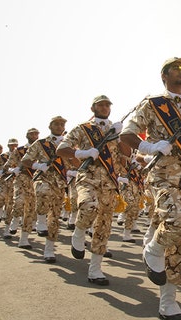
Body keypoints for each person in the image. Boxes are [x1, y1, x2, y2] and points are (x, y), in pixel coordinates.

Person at [120, 56, 181, 320]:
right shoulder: (153, 104)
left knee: (180, 239)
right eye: (176, 68)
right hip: (163, 177)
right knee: (177, 220)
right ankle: (152, 249)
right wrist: (150, 147)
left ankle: (168, 301)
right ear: (164, 75)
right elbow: (127, 135)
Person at [56, 95, 130, 285]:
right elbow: (62, 149)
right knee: (88, 206)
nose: (105, 108)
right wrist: (82, 153)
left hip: (109, 184)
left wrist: (120, 136)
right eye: (101, 105)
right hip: (87, 178)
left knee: (103, 227)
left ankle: (95, 269)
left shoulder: (115, 130)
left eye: (107, 105)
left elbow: (127, 154)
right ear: (93, 108)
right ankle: (79, 232)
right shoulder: (83, 129)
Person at [21, 116, 72, 262]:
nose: (59, 126)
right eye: (56, 124)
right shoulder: (41, 143)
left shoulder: (67, 144)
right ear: (50, 126)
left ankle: (49, 250)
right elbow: (25, 160)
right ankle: (40, 222)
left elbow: (73, 162)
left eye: (62, 124)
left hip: (60, 182)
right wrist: (38, 165)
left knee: (55, 217)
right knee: (42, 193)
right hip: (43, 177)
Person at [3, 128, 40, 242]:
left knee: (30, 209)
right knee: (18, 202)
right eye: (32, 134)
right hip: (21, 178)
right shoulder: (19, 150)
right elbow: (6, 167)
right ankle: (14, 219)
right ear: (27, 136)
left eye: (36, 134)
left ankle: (24, 239)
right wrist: (13, 170)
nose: (34, 136)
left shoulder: (42, 149)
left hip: (35, 179)